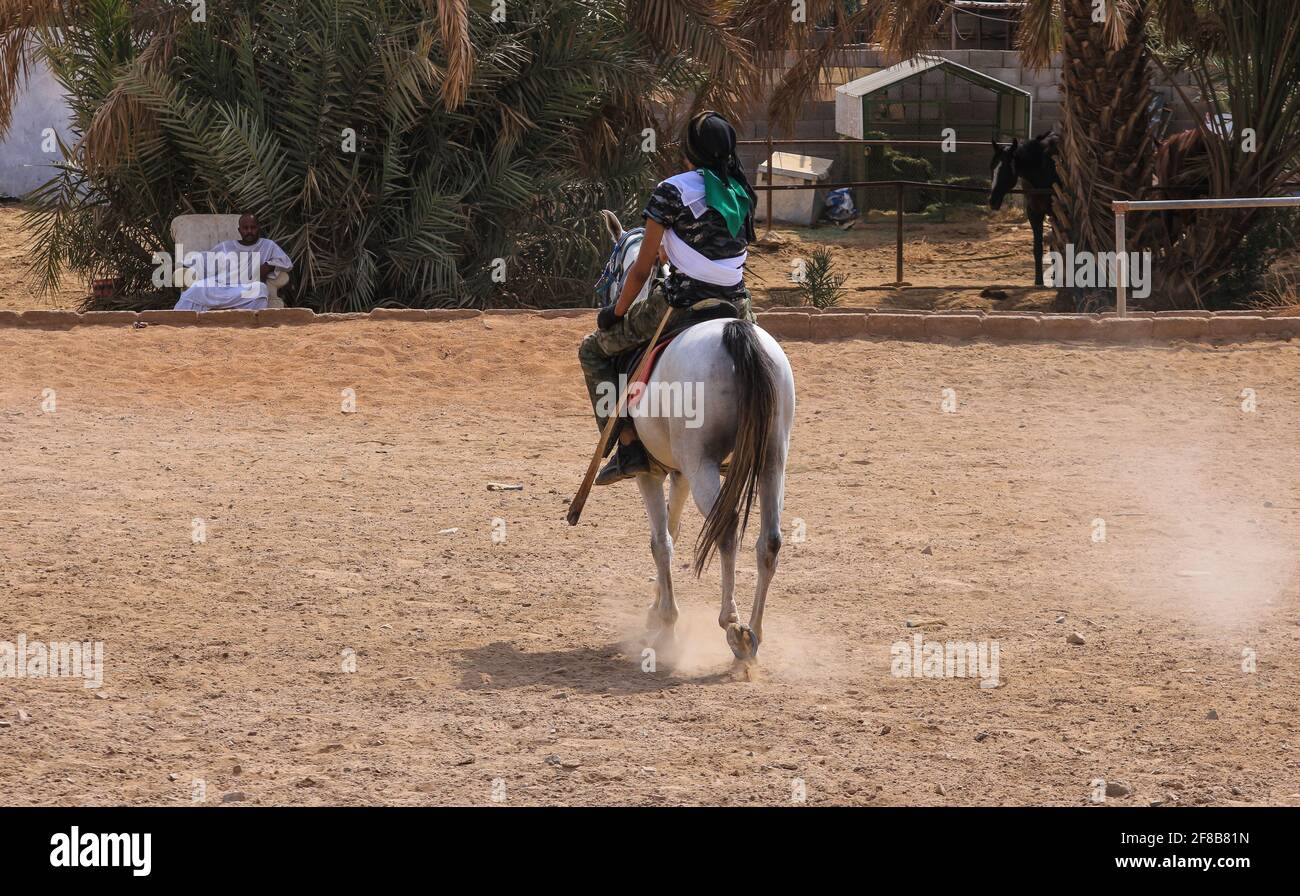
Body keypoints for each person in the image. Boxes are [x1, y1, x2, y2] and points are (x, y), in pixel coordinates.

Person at [578, 110, 758, 486]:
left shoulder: (671, 190)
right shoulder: (742, 190)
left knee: (593, 351)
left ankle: (629, 447)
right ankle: (753, 440)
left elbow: (642, 269)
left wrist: (616, 310)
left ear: (689, 150)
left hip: (682, 302)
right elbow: (722, 251)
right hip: (738, 304)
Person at [174, 213, 293, 311]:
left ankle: (250, 324)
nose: (249, 231)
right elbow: (204, 259)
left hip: (244, 289)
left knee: (260, 289)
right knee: (196, 288)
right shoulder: (226, 246)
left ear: (258, 228)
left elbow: (286, 263)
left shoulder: (268, 245)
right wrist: (186, 264)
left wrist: (269, 266)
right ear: (239, 230)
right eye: (245, 228)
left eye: (253, 227)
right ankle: (177, 322)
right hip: (220, 286)